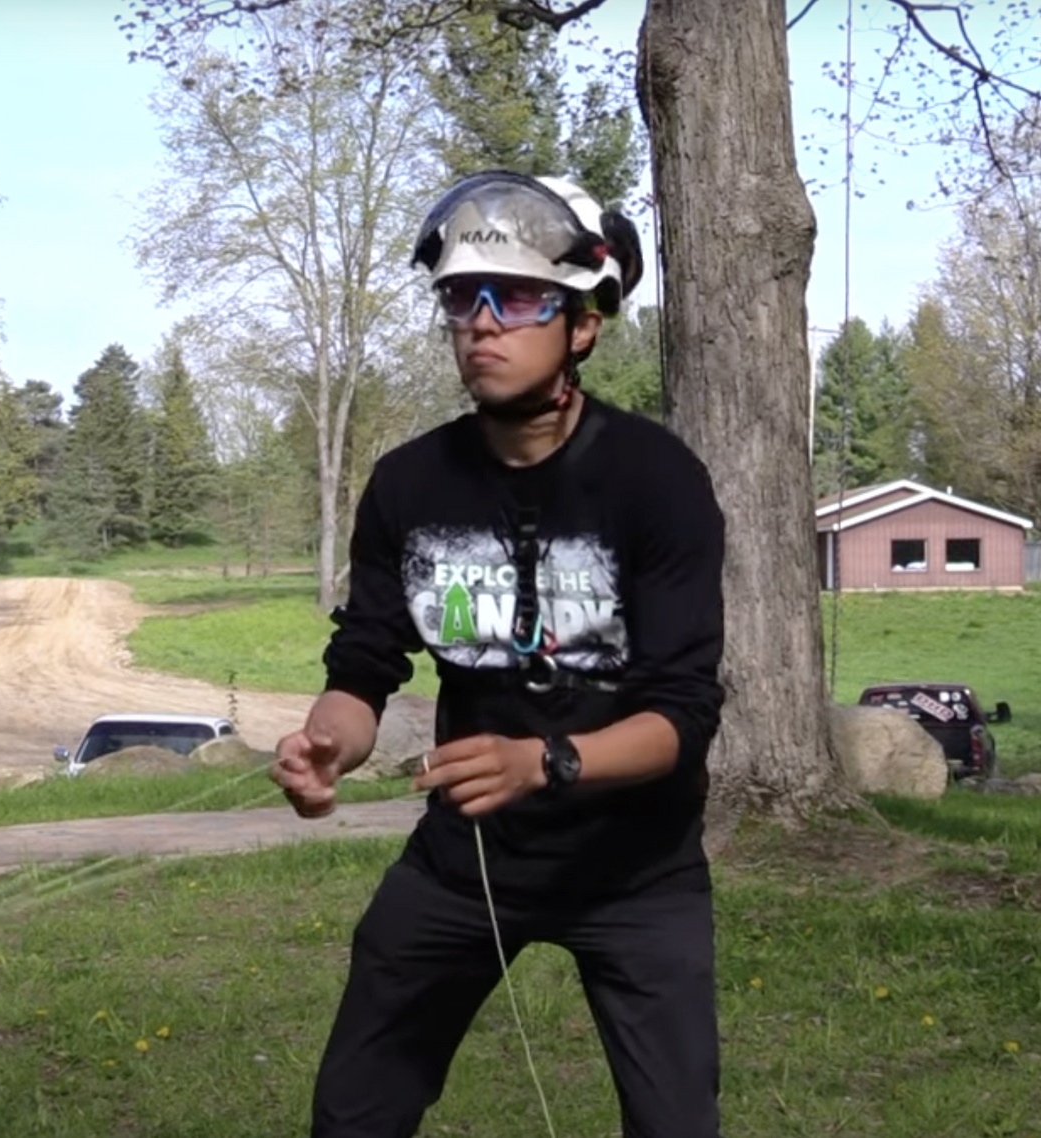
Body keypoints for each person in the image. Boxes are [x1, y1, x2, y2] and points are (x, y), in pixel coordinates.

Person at [271, 169, 727, 1138]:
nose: (480, 323)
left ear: (583, 325)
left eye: (516, 298)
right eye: (460, 298)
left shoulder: (657, 482)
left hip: (636, 873)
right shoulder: (408, 486)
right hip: (466, 863)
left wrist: (544, 761)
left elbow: (681, 718)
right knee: (352, 1115)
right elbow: (364, 667)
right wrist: (327, 744)